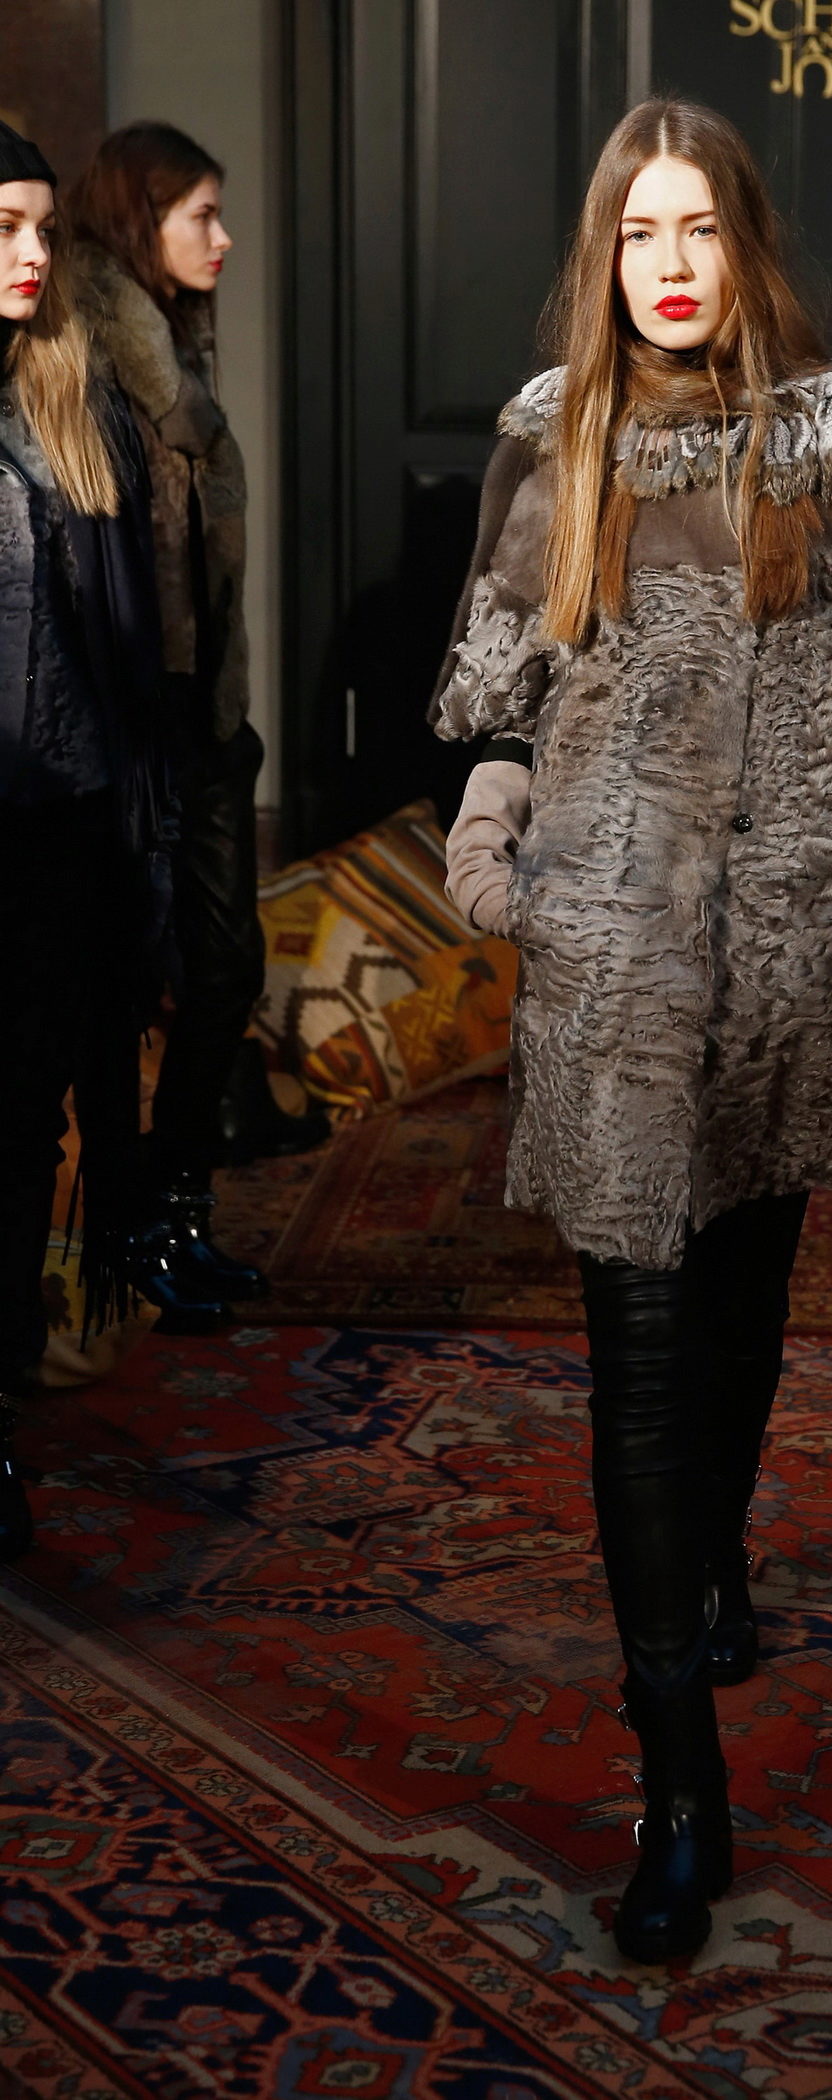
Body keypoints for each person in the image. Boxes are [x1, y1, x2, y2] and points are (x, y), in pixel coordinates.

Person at [433, 99, 832, 1963]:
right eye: (636, 234)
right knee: (641, 1376)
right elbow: (496, 706)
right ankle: (681, 1784)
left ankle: (718, 1556)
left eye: (697, 229)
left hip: (784, 972)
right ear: (603, 258)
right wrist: (503, 870)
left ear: (744, 243)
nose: (668, 266)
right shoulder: (557, 449)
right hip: (611, 971)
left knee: (744, 1329)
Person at [0, 118, 217, 1562]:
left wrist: (140, 838)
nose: (34, 255)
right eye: (3, 230)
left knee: (25, 1133)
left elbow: (126, 661)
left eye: (40, 228)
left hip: (58, 840)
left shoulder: (77, 411)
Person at [67, 123, 326, 1306]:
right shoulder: (93, 360)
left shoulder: (175, 347)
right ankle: (133, 1235)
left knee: (222, 967)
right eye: (200, 216)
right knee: (123, 987)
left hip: (201, 715)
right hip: (130, 722)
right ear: (143, 217)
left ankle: (175, 1211)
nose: (223, 239)